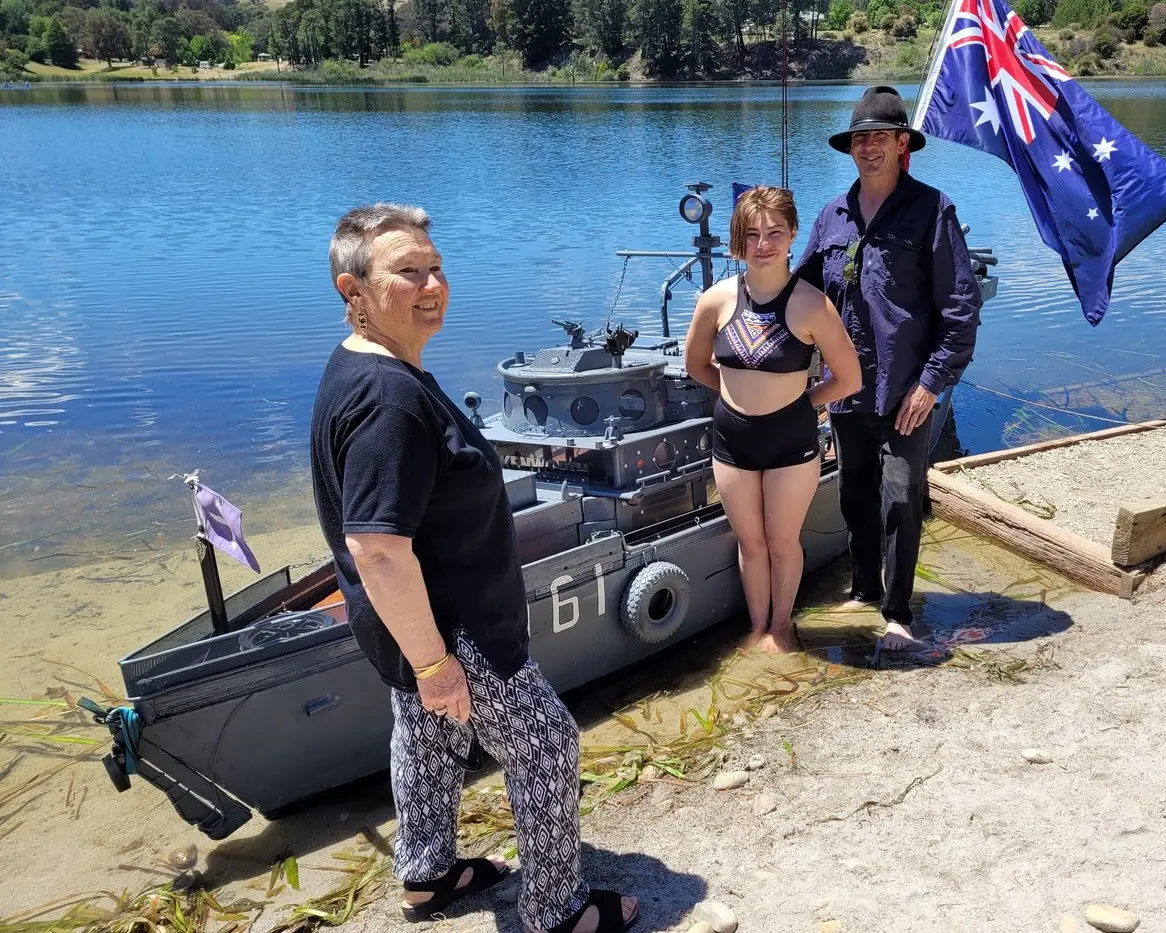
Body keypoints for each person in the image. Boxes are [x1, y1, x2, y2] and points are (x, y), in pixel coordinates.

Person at [309, 204, 639, 933]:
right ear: (352, 289)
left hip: (407, 623)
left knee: (427, 738)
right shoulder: (388, 401)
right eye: (407, 271)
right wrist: (434, 662)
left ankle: (428, 875)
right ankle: (557, 910)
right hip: (452, 628)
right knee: (547, 740)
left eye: (436, 267)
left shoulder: (362, 365)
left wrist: (419, 664)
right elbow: (377, 546)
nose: (432, 284)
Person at [796, 86, 983, 652]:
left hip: (905, 389)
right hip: (849, 389)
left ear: (904, 144)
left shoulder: (933, 209)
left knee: (900, 495)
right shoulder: (832, 215)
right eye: (860, 138)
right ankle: (863, 588)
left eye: (880, 137)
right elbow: (800, 294)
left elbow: (961, 308)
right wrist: (740, 311)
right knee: (854, 491)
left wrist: (931, 384)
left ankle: (899, 612)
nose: (868, 148)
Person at [684, 187, 862, 653]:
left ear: (792, 236)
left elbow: (849, 377)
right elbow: (696, 365)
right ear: (737, 241)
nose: (763, 244)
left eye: (774, 233)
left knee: (783, 543)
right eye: (752, 234)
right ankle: (756, 625)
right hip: (732, 442)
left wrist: (803, 403)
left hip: (791, 442)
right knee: (751, 544)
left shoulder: (812, 305)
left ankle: (781, 628)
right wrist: (734, 397)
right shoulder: (715, 300)